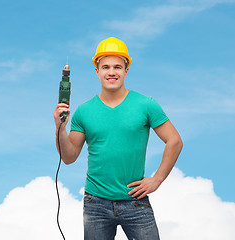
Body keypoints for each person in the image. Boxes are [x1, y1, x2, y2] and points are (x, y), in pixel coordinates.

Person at [53, 37, 183, 240]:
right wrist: (60, 128)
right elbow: (69, 157)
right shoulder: (84, 111)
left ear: (126, 70)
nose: (111, 72)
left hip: (136, 202)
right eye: (105, 67)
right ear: (97, 71)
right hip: (96, 204)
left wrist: (157, 180)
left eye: (117, 67)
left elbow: (174, 140)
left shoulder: (146, 104)